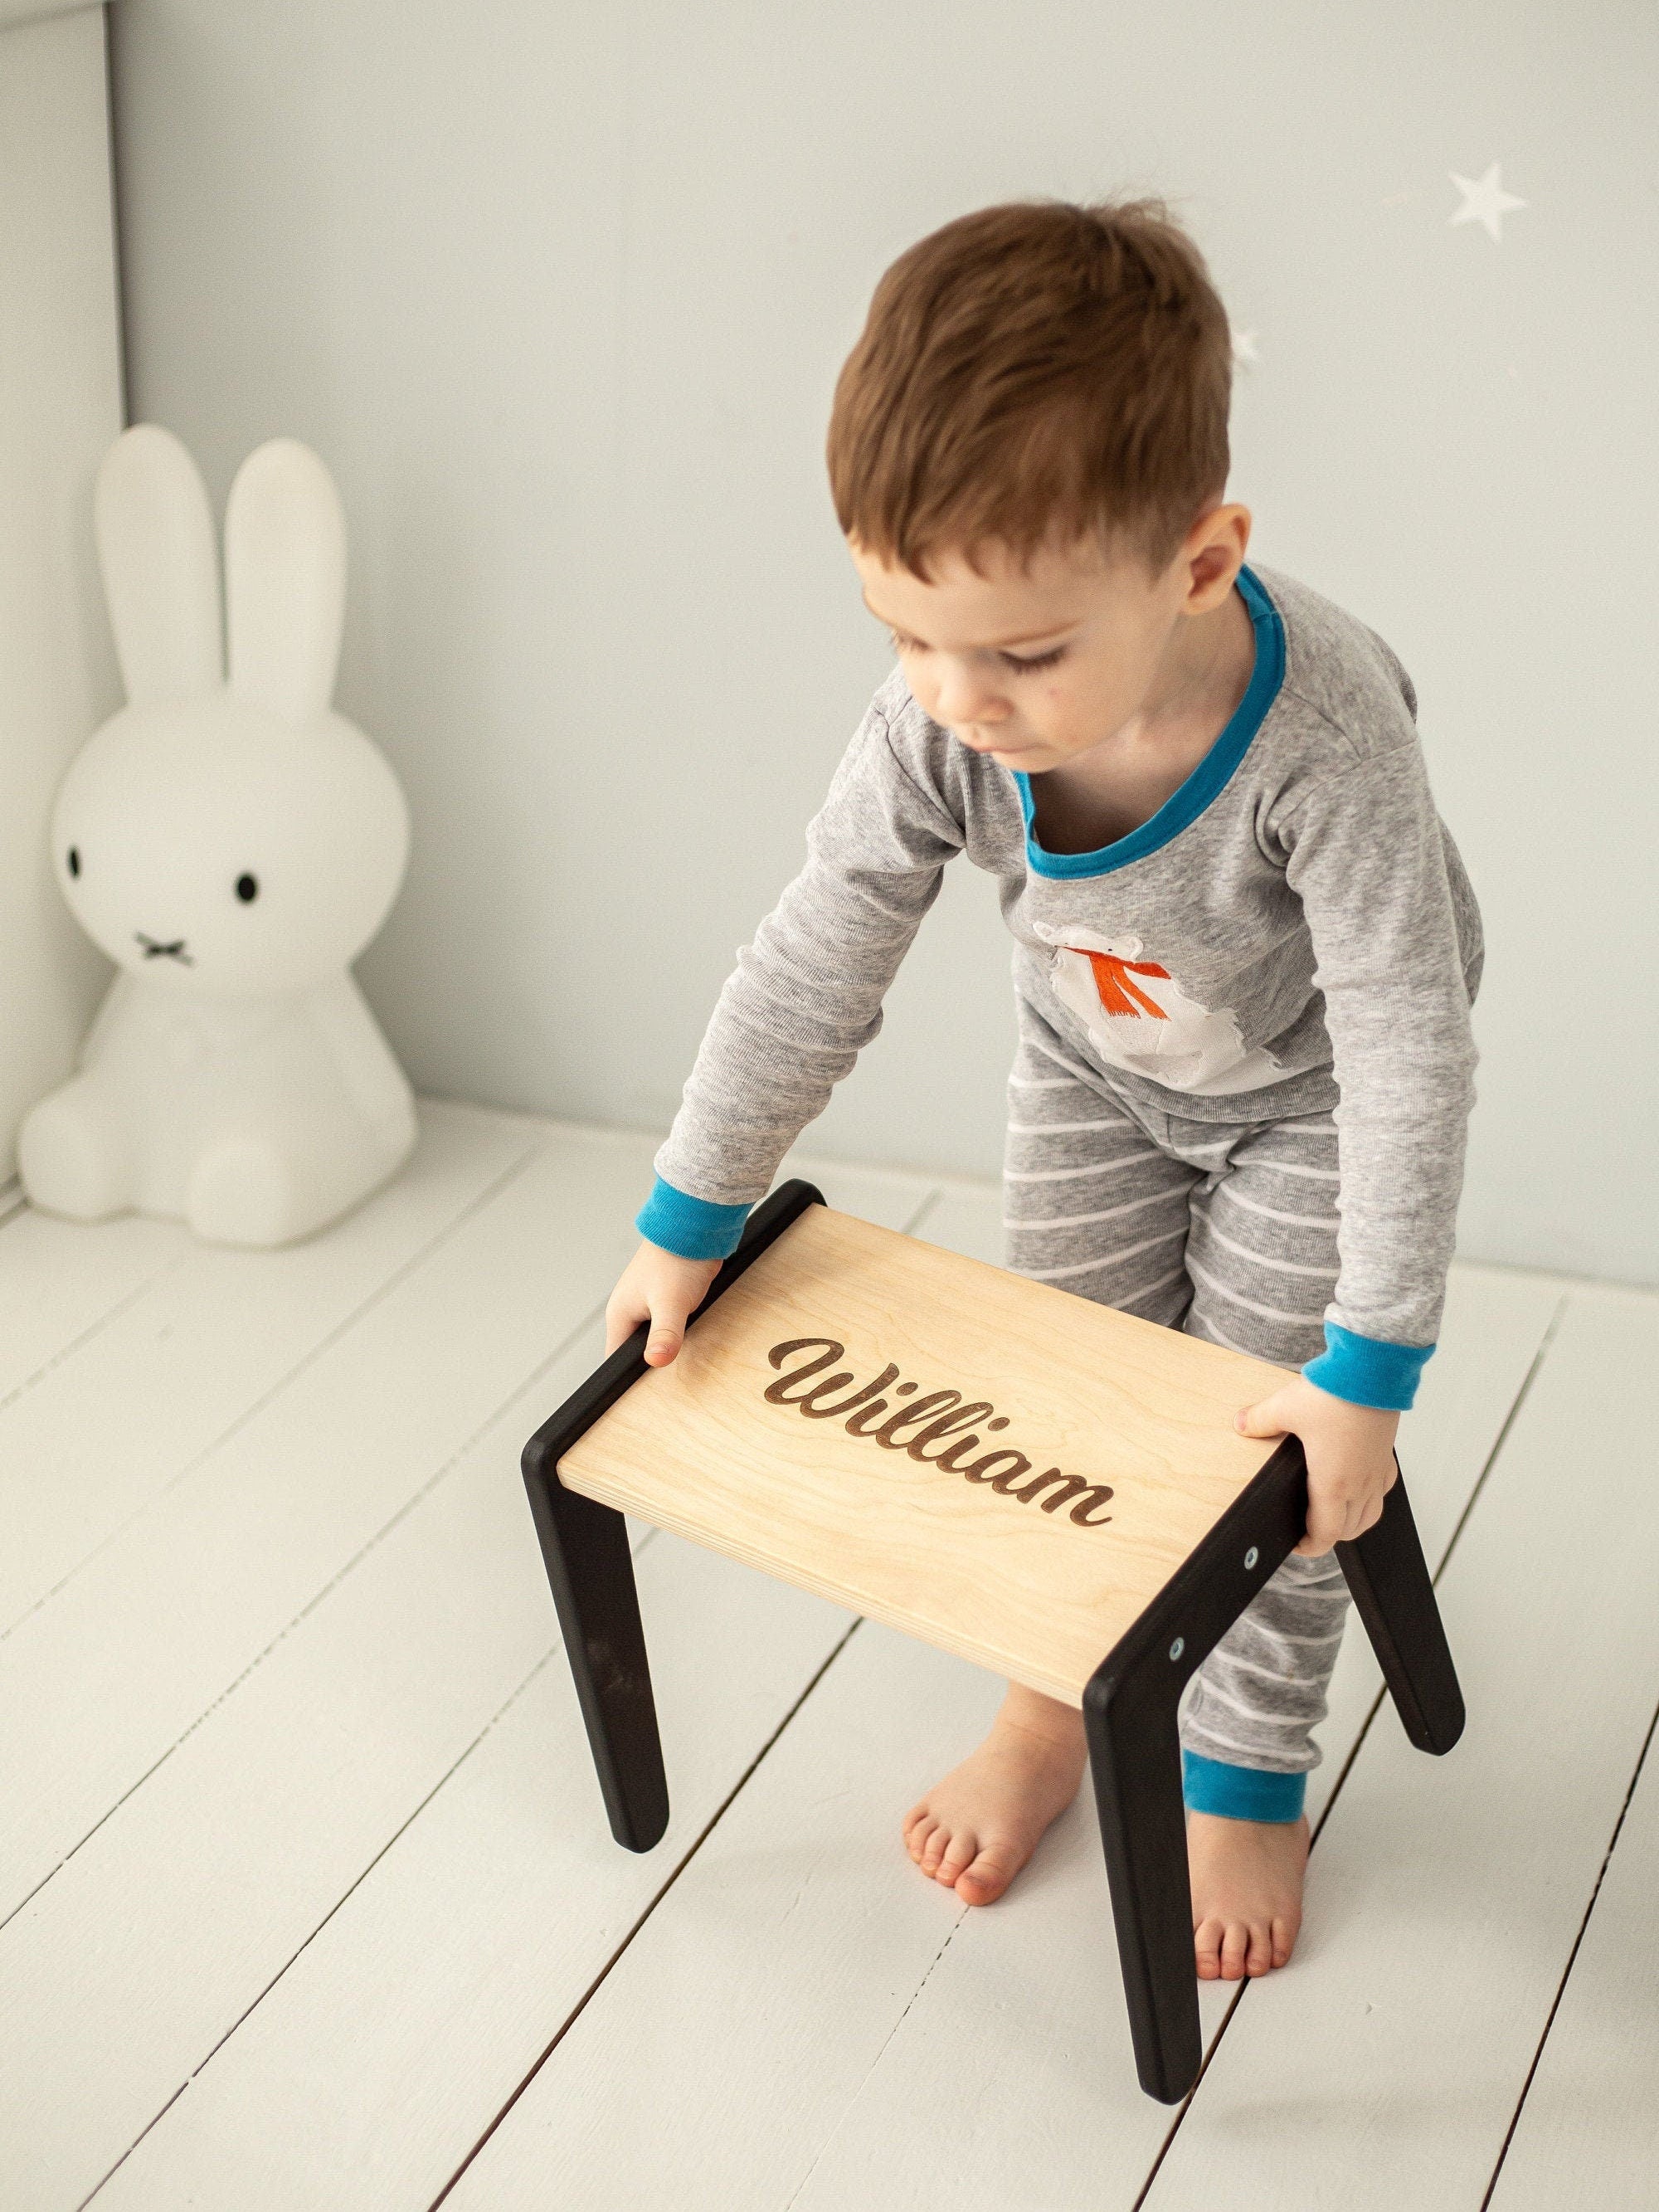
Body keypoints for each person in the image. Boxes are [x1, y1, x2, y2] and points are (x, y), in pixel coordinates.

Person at [602, 198, 1481, 1984]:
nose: (959, 700)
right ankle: (1045, 1697)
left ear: (1198, 562)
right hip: (1097, 1071)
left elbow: (1408, 1044)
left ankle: (1245, 1763)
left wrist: (1369, 1370)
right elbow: (817, 953)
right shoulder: (935, 725)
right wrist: (689, 1213)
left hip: (1311, 1097)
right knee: (1067, 1396)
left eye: (1021, 654)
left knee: (1254, 1435)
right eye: (906, 634)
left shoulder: (1324, 741)